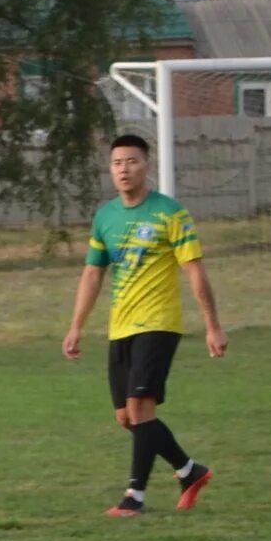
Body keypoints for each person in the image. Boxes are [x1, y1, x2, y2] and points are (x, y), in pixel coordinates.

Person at [63, 133, 228, 516]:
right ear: (110, 169)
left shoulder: (170, 213)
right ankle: (190, 471)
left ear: (146, 165)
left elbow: (195, 272)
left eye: (132, 161)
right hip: (120, 327)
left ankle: (134, 497)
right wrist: (75, 326)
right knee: (127, 417)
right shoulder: (105, 216)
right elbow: (92, 274)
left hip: (158, 324)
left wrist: (212, 325)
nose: (124, 169)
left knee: (140, 409)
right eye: (117, 163)